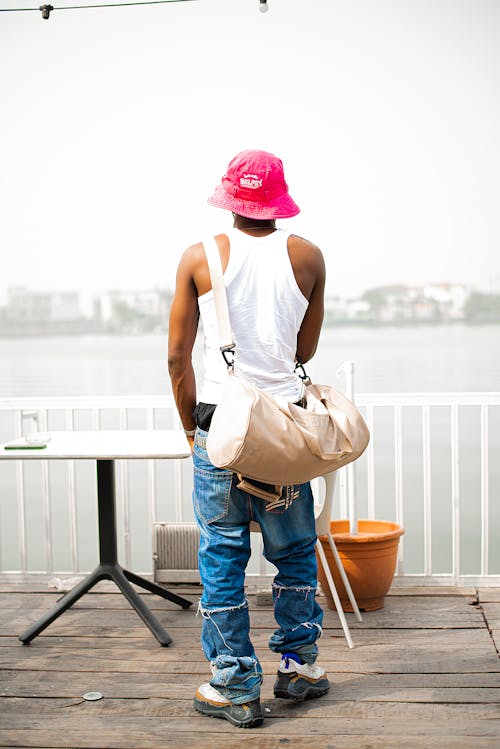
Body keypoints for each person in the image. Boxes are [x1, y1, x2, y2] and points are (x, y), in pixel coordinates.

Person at [168, 149, 328, 729]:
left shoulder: (199, 256)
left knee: (222, 556)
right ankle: (297, 667)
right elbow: (301, 353)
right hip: (284, 425)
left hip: (222, 423)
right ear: (278, 198)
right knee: (293, 552)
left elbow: (176, 356)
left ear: (231, 197)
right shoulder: (307, 256)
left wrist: (192, 427)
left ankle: (234, 686)